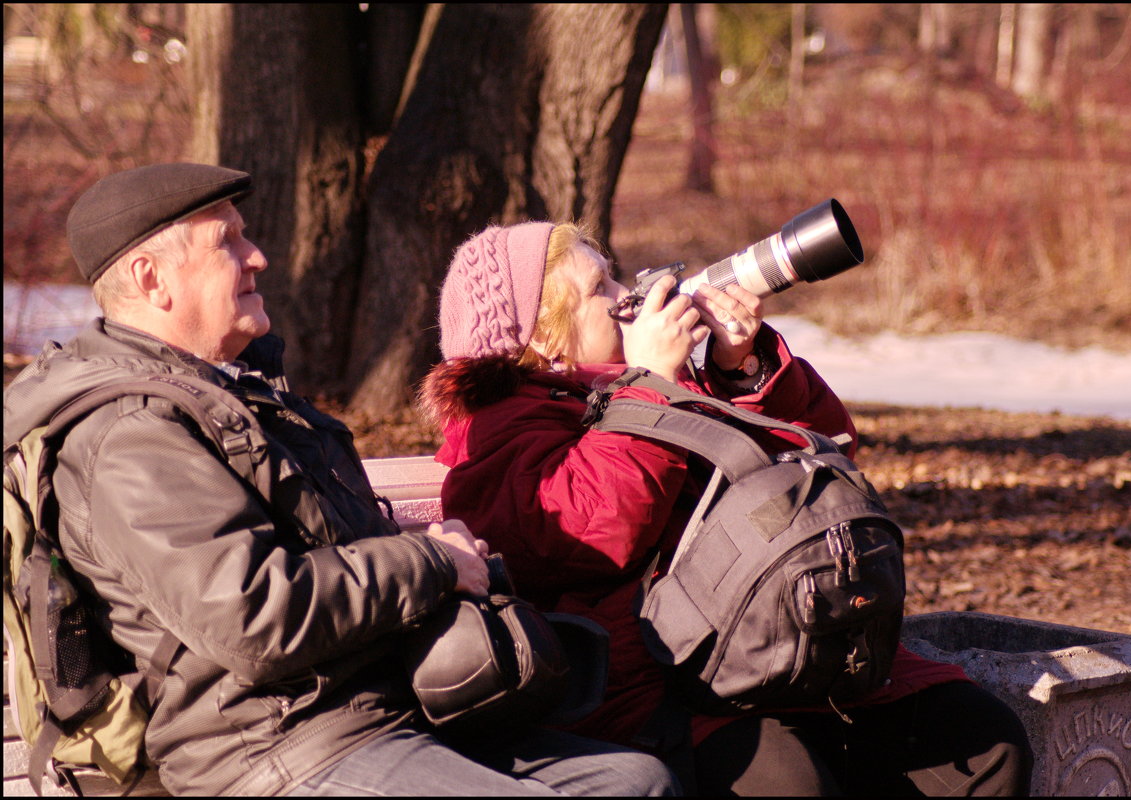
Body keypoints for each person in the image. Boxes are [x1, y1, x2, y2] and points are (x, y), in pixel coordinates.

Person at [2, 164, 682, 798]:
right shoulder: (131, 436)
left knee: (636, 779)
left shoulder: (235, 399)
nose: (258, 256)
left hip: (374, 714)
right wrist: (428, 561)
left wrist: (427, 547)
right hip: (272, 752)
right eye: (228, 242)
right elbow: (254, 617)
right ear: (152, 280)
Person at [420, 220, 1034, 795]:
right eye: (597, 287)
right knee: (785, 782)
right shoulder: (500, 430)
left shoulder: (662, 385)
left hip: (790, 641)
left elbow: (827, 460)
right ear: (543, 334)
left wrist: (741, 368)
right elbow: (595, 532)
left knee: (984, 743)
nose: (625, 294)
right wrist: (649, 387)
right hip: (658, 681)